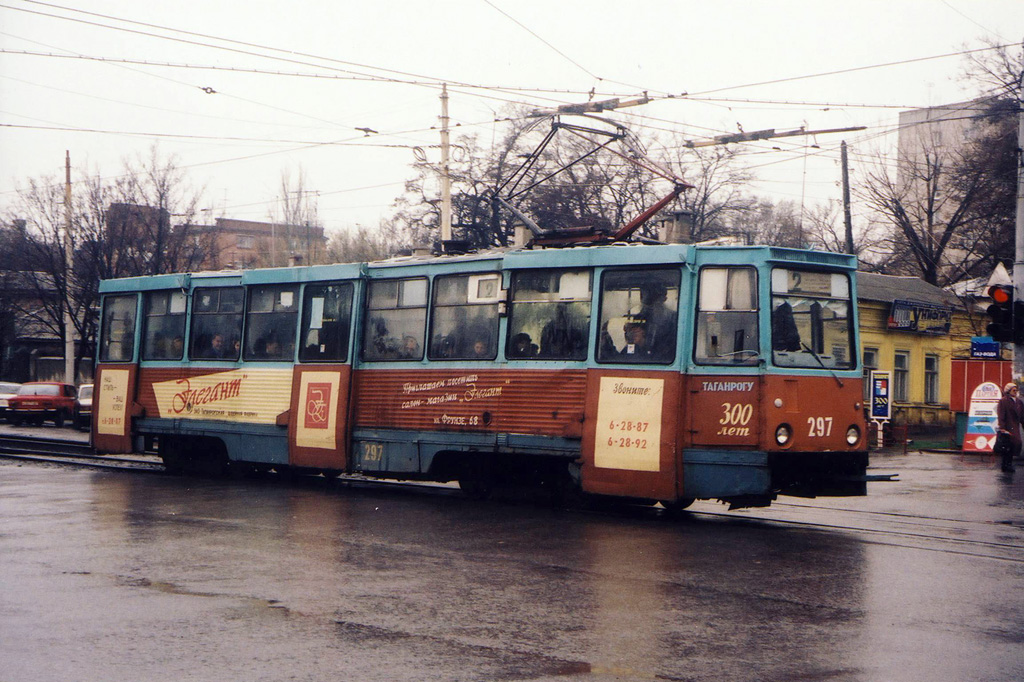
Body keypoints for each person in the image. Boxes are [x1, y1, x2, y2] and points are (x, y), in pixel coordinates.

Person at [996, 382, 1021, 473]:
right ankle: (1006, 464)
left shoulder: (1018, 402)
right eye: (1013, 390)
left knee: (1015, 444)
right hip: (1007, 427)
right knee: (1007, 446)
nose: (1015, 392)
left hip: (1015, 426)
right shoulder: (1003, 401)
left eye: (1016, 390)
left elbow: (1022, 415)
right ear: (1008, 391)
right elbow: (1001, 414)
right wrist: (1002, 427)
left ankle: (1008, 463)